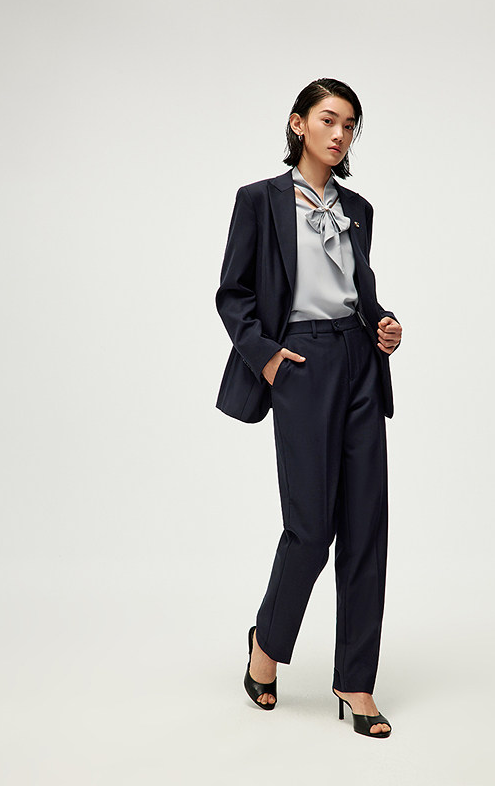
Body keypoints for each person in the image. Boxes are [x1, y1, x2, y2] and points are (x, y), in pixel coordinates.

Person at [215, 77, 402, 738]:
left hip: (359, 361)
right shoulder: (259, 201)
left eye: (349, 124)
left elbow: (356, 291)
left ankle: (356, 682)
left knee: (366, 526)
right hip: (299, 363)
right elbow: (233, 293)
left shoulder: (359, 209)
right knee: (310, 527)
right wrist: (267, 357)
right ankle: (266, 647)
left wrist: (383, 325)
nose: (339, 133)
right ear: (298, 123)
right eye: (328, 119)